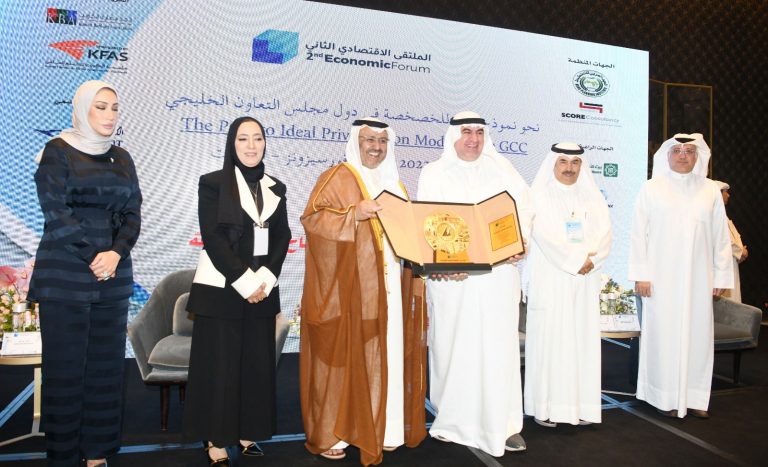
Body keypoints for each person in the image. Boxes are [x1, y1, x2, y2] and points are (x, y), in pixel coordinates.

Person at [300, 118, 427, 465]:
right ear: (356, 141)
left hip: (389, 289)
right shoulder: (337, 176)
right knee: (346, 356)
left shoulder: (395, 184)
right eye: (370, 139)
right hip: (350, 289)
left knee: (384, 352)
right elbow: (313, 221)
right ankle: (337, 433)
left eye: (383, 141)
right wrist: (353, 214)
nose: (376, 147)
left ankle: (384, 429)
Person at [29, 80, 142, 467]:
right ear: (82, 109)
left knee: (105, 373)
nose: (109, 115)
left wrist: (116, 253)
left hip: (113, 279)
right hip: (66, 278)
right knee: (65, 375)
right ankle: (63, 457)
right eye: (101, 107)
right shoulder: (57, 151)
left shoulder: (123, 158)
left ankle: (97, 453)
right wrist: (95, 256)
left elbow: (132, 213)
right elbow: (55, 212)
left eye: (114, 107)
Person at [417, 111, 532, 456]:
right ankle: (452, 421)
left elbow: (525, 212)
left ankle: (505, 425)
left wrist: (521, 242)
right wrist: (443, 262)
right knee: (454, 347)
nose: (473, 139)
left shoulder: (503, 170)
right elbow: (428, 223)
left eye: (479, 133)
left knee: (499, 351)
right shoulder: (434, 173)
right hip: (454, 281)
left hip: (498, 278)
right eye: (466, 132)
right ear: (454, 136)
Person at [183, 117, 291, 465]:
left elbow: (283, 236)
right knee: (221, 368)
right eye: (243, 139)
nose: (251, 145)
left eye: (257, 138)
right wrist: (245, 282)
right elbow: (213, 238)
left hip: (262, 290)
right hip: (223, 289)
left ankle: (247, 430)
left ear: (265, 143)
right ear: (232, 144)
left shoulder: (276, 188)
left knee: (255, 366)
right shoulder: (213, 183)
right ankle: (215, 439)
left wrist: (266, 279)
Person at [629, 133, 733, 419]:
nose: (683, 156)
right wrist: (641, 275)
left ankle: (695, 396)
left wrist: (720, 277)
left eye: (689, 151)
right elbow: (639, 234)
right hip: (660, 279)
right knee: (663, 337)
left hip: (699, 279)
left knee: (698, 337)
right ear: (667, 156)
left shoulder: (710, 190)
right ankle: (662, 397)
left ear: (698, 156)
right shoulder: (651, 188)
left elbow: (720, 237)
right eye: (677, 151)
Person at [523, 143, 612, 427]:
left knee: (581, 343)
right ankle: (547, 409)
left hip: (585, 281)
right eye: (563, 161)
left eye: (575, 162)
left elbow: (605, 235)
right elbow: (544, 236)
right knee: (552, 342)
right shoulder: (538, 196)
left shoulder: (593, 197)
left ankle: (580, 408)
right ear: (553, 163)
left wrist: (592, 260)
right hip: (552, 279)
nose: (569, 168)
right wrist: (576, 260)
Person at [714, 180, 747, 303]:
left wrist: (740, 252)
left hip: (732, 262)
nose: (728, 195)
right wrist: (741, 252)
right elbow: (725, 240)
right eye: (725, 192)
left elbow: (735, 237)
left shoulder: (724, 216)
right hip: (724, 263)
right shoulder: (715, 214)